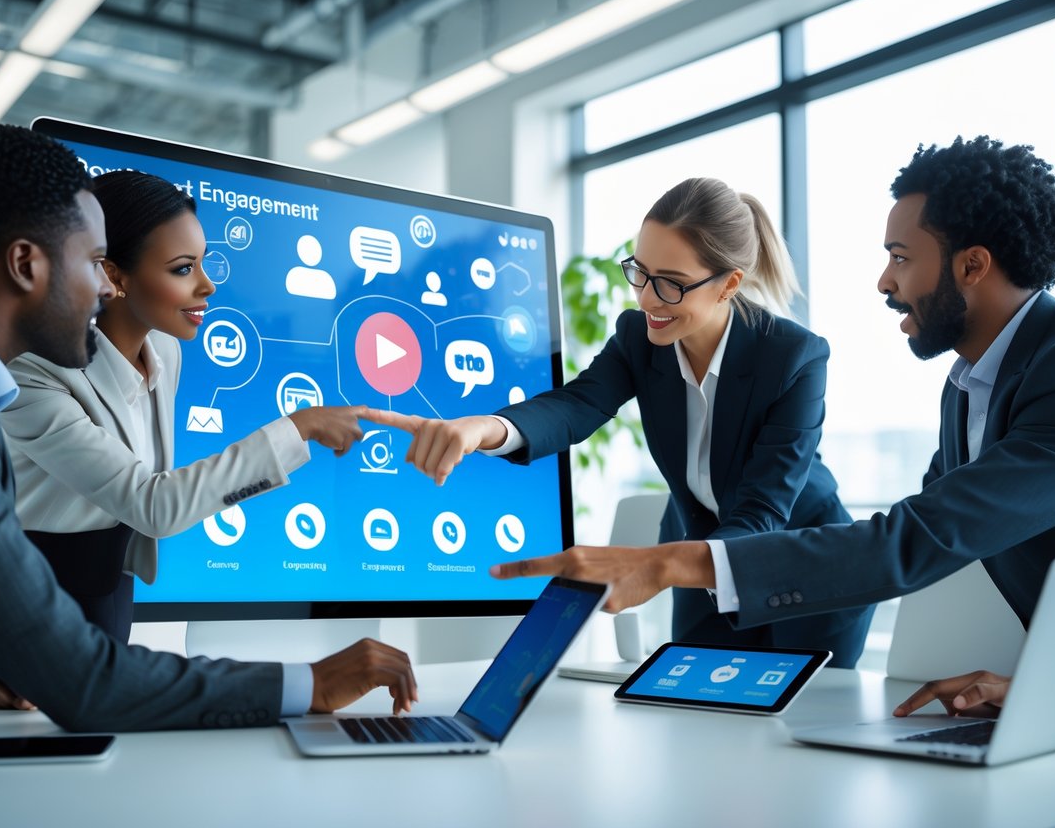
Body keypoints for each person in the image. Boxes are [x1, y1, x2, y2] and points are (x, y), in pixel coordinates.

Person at [487, 136, 1055, 713]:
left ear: (973, 265)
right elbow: (932, 527)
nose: (884, 280)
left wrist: (669, 564)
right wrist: (1041, 689)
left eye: (901, 257)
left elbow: (916, 539)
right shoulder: (969, 388)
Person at [0, 123, 416, 730]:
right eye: (97, 263)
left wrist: (15, 657)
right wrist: (309, 681)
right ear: (25, 264)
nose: (104, 288)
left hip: (84, 590)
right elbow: (87, 674)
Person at [368, 178, 875, 667]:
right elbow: (578, 404)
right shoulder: (639, 337)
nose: (648, 299)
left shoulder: (794, 357)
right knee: (695, 715)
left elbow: (763, 512)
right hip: (701, 555)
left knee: (796, 728)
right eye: (641, 272)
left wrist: (660, 566)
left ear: (729, 285)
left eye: (672, 285)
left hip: (805, 569)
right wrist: (484, 428)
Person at [0, 170, 363, 650]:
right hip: (22, 600)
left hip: (109, 582)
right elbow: (153, 504)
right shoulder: (33, 374)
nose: (207, 286)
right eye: (183, 268)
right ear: (114, 276)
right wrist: (298, 428)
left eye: (203, 264)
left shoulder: (165, 352)